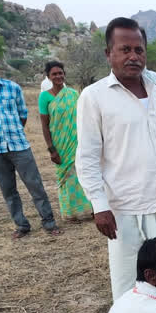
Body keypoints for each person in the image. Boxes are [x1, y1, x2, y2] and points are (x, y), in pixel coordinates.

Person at [76, 17, 156, 313]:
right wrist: (99, 204)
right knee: (129, 282)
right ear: (108, 53)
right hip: (123, 210)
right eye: (124, 49)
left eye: (139, 50)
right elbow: (87, 156)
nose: (133, 56)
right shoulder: (94, 96)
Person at [0, 49, 61, 240]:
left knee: (35, 185)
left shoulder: (13, 87)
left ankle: (49, 222)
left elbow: (22, 115)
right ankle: (21, 225)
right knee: (8, 190)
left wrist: (13, 131)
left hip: (19, 146)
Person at [38, 61, 93, 222]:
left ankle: (89, 209)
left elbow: (83, 118)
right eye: (54, 74)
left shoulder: (73, 94)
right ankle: (70, 213)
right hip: (60, 144)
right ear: (48, 77)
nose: (58, 76)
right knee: (65, 177)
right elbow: (45, 125)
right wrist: (51, 149)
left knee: (83, 174)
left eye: (60, 73)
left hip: (77, 142)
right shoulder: (45, 97)